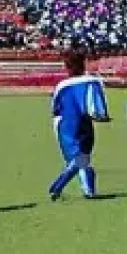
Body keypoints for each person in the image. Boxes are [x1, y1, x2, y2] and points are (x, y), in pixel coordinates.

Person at [48, 49, 110, 201]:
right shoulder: (92, 80)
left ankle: (64, 186)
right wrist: (102, 116)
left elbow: (55, 108)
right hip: (84, 121)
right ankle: (81, 188)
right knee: (83, 157)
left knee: (76, 158)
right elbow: (97, 103)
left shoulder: (62, 86)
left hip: (66, 123)